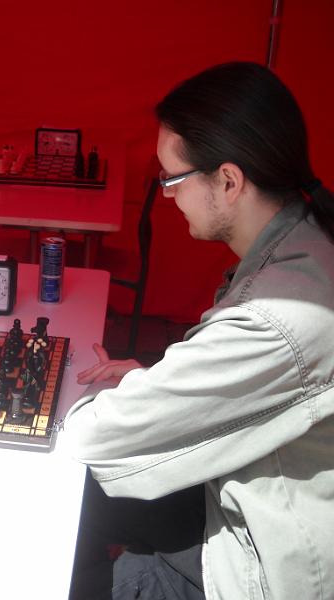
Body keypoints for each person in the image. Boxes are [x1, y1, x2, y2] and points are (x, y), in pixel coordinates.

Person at [66, 62, 334, 599]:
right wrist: (155, 382)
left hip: (259, 564)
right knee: (79, 512)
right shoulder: (303, 243)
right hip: (234, 495)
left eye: (171, 179)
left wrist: (121, 397)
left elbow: (93, 436)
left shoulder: (277, 316)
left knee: (60, 566)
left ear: (229, 181)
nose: (167, 195)